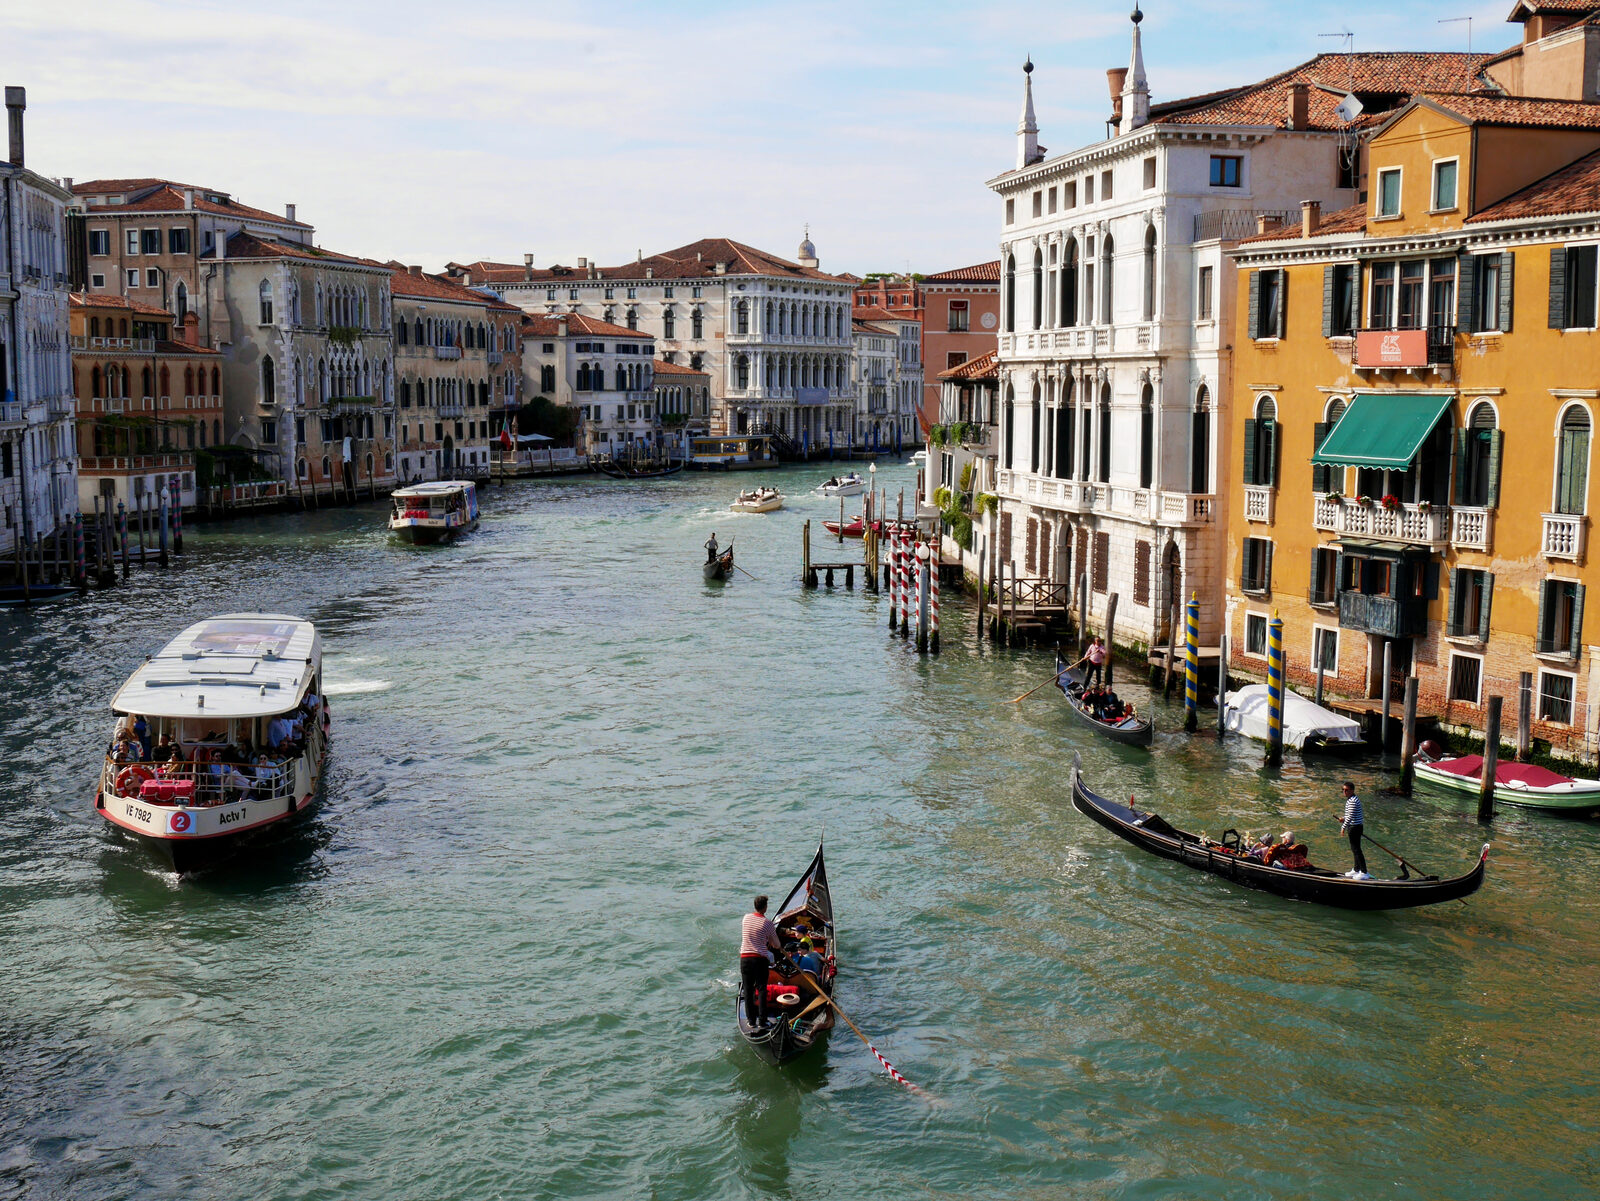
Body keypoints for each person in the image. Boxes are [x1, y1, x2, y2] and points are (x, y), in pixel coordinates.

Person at [739, 894, 784, 1026]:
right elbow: (776, 945)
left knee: (748, 990)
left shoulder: (746, 918)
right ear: (765, 907)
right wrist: (770, 940)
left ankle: (751, 1021)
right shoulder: (768, 923)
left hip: (745, 959)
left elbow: (752, 933)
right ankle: (763, 1021)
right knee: (762, 989)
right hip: (759, 960)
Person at [1340, 781, 1369, 877]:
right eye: (1343, 790)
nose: (1344, 792)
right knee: (1354, 849)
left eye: (1346, 790)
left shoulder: (1352, 800)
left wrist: (1343, 827)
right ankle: (1356, 869)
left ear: (1352, 790)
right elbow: (1349, 815)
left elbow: (1350, 816)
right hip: (1354, 827)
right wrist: (1343, 818)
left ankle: (1364, 872)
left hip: (1355, 828)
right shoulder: (1351, 799)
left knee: (1357, 850)